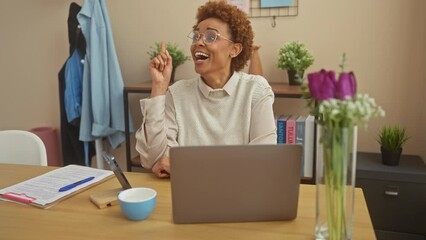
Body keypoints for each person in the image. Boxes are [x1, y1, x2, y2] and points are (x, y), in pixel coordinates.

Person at [135, 1, 277, 178]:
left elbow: (262, 162)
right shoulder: (177, 93)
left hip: (240, 196)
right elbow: (152, 160)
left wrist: (186, 167)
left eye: (211, 37)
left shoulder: (257, 90)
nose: (198, 42)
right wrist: (158, 88)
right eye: (196, 36)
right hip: (186, 195)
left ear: (234, 49)